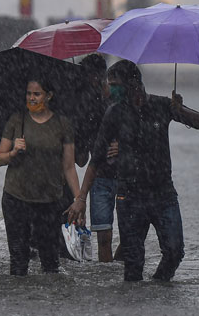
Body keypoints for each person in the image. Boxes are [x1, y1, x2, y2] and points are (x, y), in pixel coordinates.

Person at [67, 60, 199, 282]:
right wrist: (81, 198)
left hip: (163, 194)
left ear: (133, 83)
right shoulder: (114, 113)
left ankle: (158, 290)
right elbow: (95, 161)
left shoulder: (161, 106)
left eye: (115, 84)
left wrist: (180, 109)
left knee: (174, 252)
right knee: (133, 263)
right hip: (129, 197)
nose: (111, 89)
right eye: (110, 84)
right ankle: (135, 306)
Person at [0, 76, 80, 275]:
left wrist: (79, 198)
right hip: (16, 198)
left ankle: (47, 303)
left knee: (51, 263)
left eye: (37, 94)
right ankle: (20, 302)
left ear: (49, 96)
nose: (31, 98)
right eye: (28, 93)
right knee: (18, 260)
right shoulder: (17, 119)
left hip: (49, 200)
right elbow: (0, 158)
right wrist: (13, 152)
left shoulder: (62, 124)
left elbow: (69, 166)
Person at [77, 53, 123, 262]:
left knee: (132, 234)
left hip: (125, 176)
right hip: (100, 177)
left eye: (94, 78)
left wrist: (122, 144)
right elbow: (81, 159)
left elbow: (139, 131)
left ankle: (120, 274)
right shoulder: (86, 106)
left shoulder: (121, 101)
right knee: (104, 237)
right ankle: (109, 277)